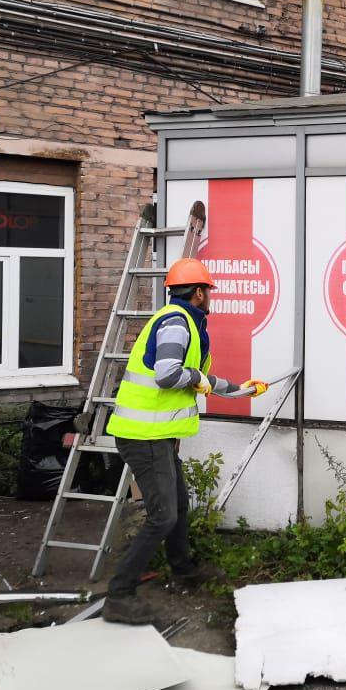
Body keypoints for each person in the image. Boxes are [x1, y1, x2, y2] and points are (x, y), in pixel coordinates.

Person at [102, 258, 268, 625]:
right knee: (163, 517)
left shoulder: (183, 321)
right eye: (208, 290)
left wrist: (238, 391)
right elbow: (168, 375)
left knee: (177, 504)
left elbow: (198, 379)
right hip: (143, 436)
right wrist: (198, 378)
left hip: (157, 436)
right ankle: (119, 595)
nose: (210, 297)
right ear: (198, 292)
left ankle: (184, 571)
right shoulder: (177, 323)